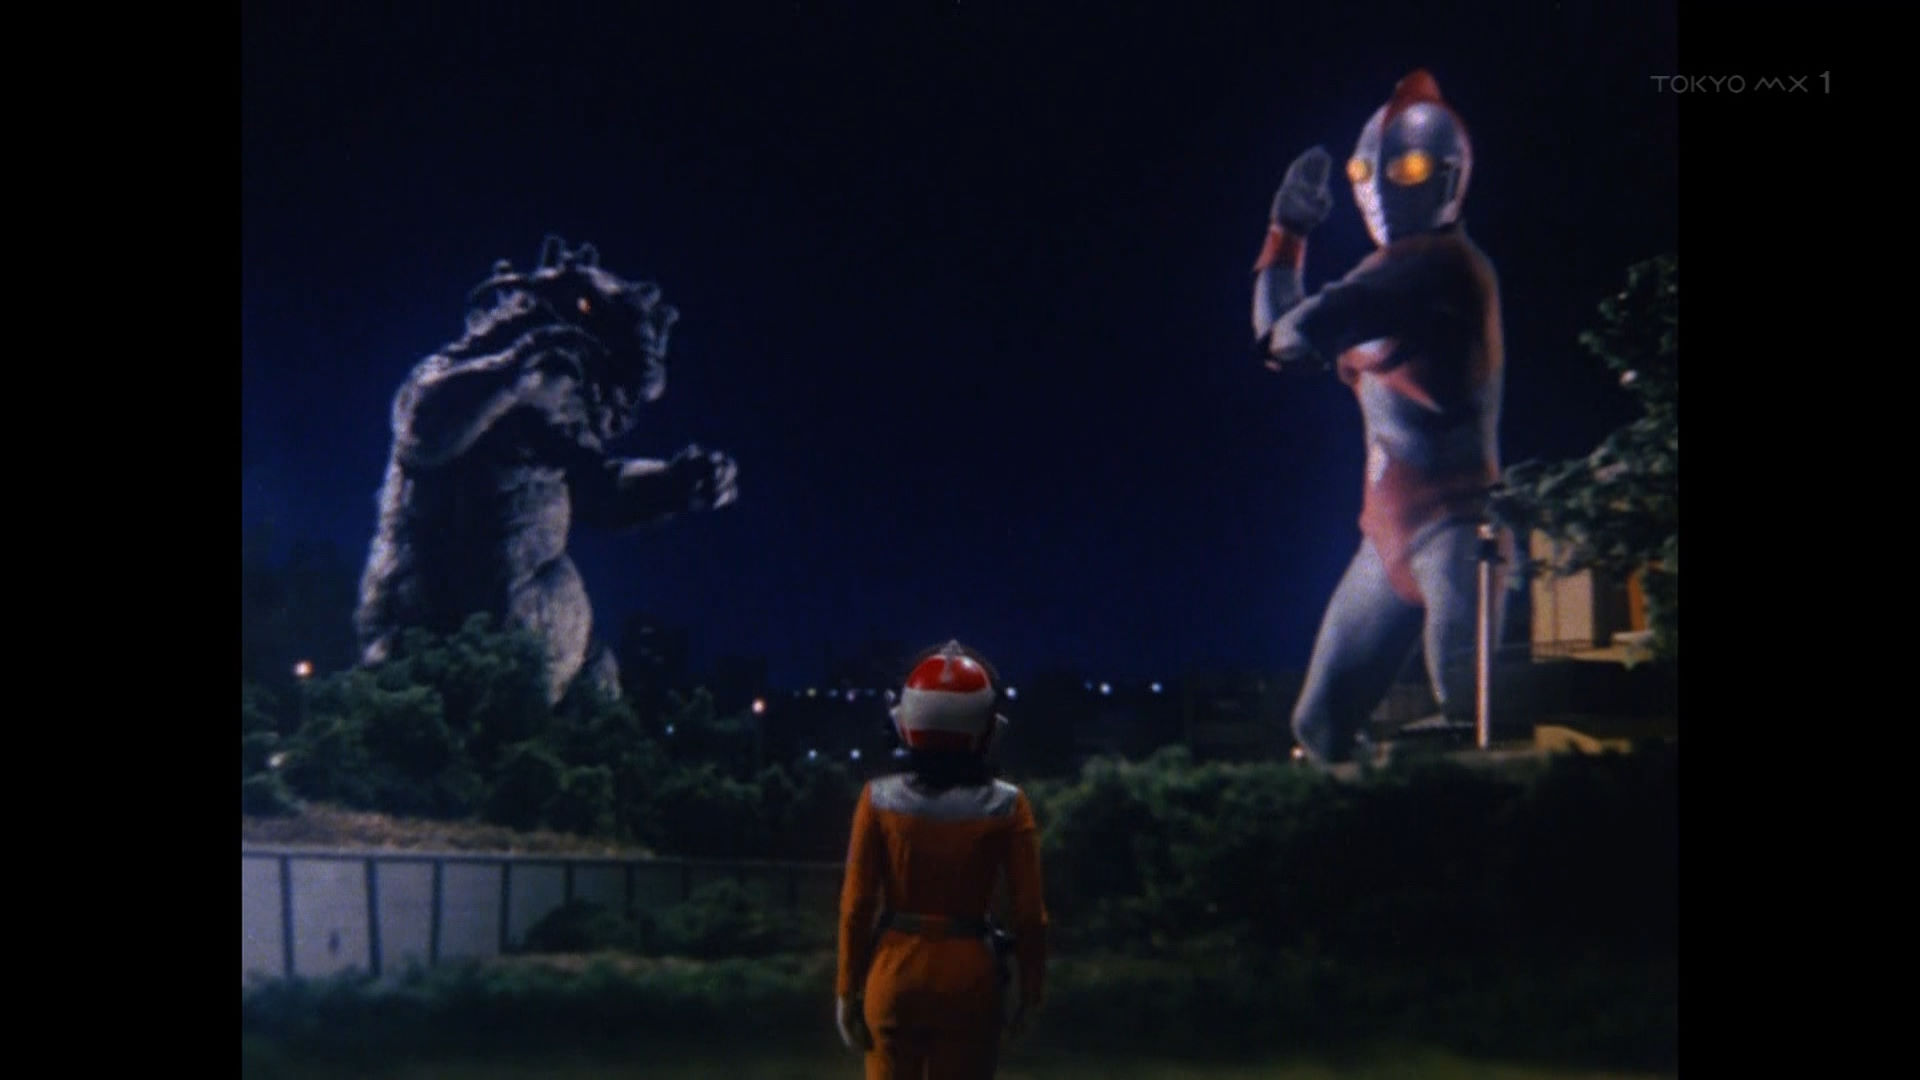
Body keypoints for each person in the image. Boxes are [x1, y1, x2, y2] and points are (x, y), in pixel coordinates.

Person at [1249, 69, 1511, 767]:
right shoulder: (1396, 274)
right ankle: (1372, 831)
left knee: (1475, 719)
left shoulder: (1437, 267)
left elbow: (1282, 338)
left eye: (1406, 170)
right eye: (1369, 173)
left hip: (1455, 530)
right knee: (1320, 728)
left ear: (1445, 174)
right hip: (1388, 537)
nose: (1384, 189)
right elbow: (1283, 344)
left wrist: (1287, 235)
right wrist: (1285, 236)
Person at [835, 640, 1049, 1079]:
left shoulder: (877, 799)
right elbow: (1030, 914)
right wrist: (1031, 991)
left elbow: (857, 907)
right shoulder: (1009, 805)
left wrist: (846, 991)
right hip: (971, 980)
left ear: (905, 722)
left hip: (893, 973)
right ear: (987, 730)